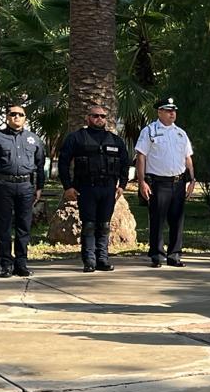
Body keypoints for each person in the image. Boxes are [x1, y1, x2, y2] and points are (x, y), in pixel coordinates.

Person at [58, 103, 129, 272]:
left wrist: (123, 186)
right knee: (89, 224)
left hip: (108, 189)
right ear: (88, 118)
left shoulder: (115, 140)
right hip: (86, 188)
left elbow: (125, 163)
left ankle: (102, 259)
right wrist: (67, 187)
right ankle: (89, 260)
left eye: (103, 116)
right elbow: (63, 163)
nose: (99, 119)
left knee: (104, 224)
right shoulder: (76, 138)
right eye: (95, 116)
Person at [0, 104, 46, 277]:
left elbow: (40, 165)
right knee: (3, 226)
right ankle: (6, 264)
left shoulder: (34, 139)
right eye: (12, 114)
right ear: (7, 117)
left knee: (24, 226)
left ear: (25, 118)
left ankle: (21, 264)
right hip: (3, 186)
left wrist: (39, 187)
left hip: (26, 187)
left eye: (20, 114)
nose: (16, 117)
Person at [134, 98, 195, 268]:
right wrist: (142, 182)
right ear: (159, 111)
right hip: (159, 183)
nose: (172, 113)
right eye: (168, 110)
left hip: (178, 183)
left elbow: (187, 157)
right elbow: (141, 156)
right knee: (157, 219)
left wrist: (192, 179)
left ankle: (174, 254)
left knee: (177, 220)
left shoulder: (181, 133)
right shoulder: (150, 131)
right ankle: (157, 254)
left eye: (174, 110)